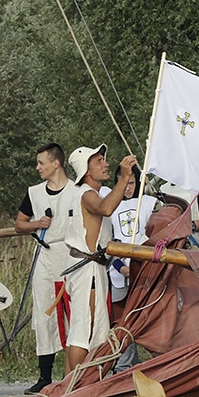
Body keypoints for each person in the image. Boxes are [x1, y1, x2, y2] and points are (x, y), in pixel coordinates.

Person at [63, 144, 137, 373]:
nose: (106, 164)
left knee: (90, 330)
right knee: (84, 331)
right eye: (99, 162)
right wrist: (124, 178)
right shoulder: (86, 194)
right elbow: (105, 209)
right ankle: (72, 389)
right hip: (87, 271)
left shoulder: (88, 193)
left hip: (91, 269)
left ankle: (69, 388)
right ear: (86, 170)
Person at [14, 143, 76, 395]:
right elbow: (19, 223)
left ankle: (72, 372)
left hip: (71, 255)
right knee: (44, 313)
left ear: (56, 163)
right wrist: (37, 224)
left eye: (41, 162)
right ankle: (45, 376)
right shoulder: (34, 193)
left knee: (73, 311)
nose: (37, 167)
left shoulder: (77, 191)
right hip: (45, 252)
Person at [108, 164, 157, 373]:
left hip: (143, 268)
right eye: (123, 182)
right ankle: (123, 366)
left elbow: (154, 235)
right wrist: (120, 267)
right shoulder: (109, 207)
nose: (127, 188)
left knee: (145, 318)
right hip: (119, 270)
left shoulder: (147, 204)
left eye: (131, 183)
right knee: (122, 320)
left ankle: (146, 364)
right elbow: (107, 242)